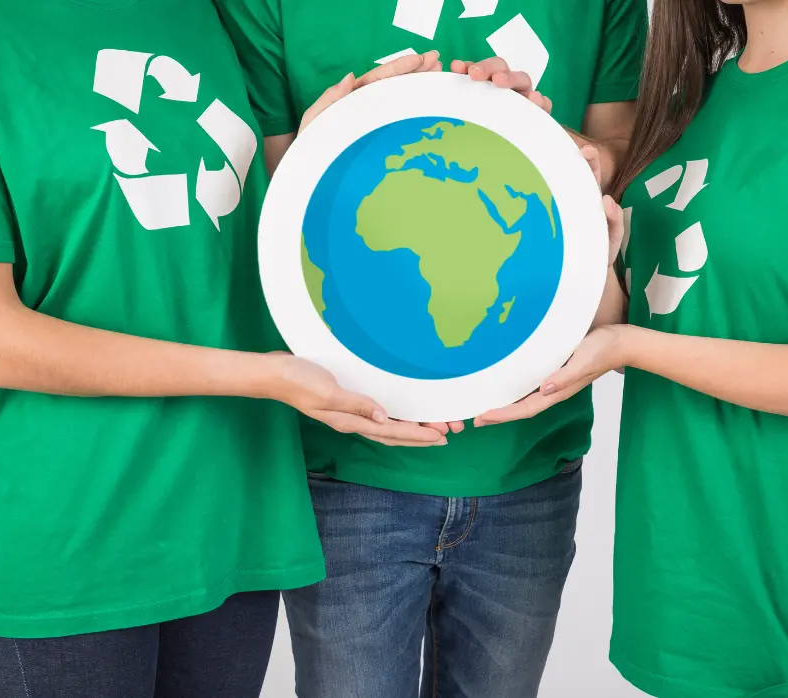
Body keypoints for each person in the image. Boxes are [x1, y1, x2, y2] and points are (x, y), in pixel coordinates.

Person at [0, 0, 447, 695]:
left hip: (234, 517)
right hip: (80, 533)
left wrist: (319, 148)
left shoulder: (211, 13)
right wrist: (258, 377)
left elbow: (230, 243)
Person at [214, 0, 647, 695]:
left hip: (531, 454)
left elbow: (620, 152)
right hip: (349, 460)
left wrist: (568, 150)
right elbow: (276, 195)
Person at [479, 0, 788, 696]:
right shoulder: (687, 102)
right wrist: (571, 207)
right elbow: (637, 319)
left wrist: (629, 346)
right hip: (679, 571)